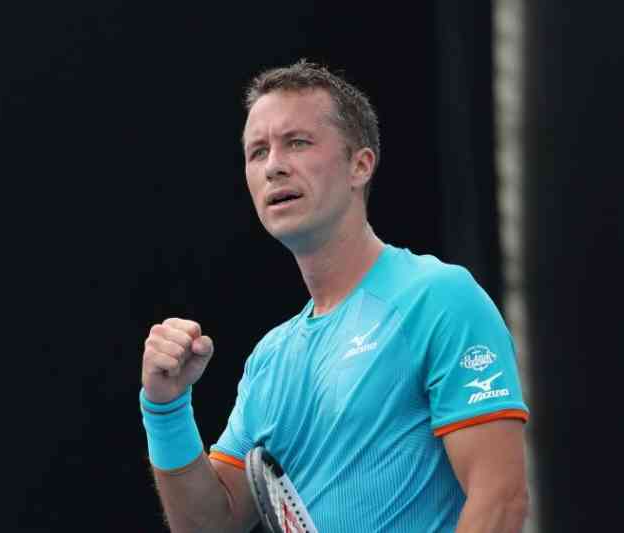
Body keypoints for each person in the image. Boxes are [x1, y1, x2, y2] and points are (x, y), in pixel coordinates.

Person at [139, 59, 530, 532]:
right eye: (257, 152)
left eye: (297, 143)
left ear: (360, 165)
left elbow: (500, 500)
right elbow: (208, 526)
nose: (274, 166)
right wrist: (165, 407)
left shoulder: (439, 298)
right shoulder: (269, 361)